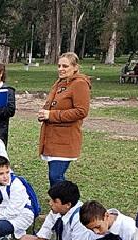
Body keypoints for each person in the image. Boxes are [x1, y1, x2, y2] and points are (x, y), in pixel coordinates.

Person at [37, 52, 91, 187]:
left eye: (65, 66)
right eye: (59, 65)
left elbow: (81, 111)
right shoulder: (60, 83)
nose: (61, 69)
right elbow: (53, 105)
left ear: (75, 67)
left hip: (65, 138)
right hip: (52, 137)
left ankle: (67, 204)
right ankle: (60, 204)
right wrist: (44, 113)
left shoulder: (79, 84)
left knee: (56, 176)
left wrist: (52, 115)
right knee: (54, 175)